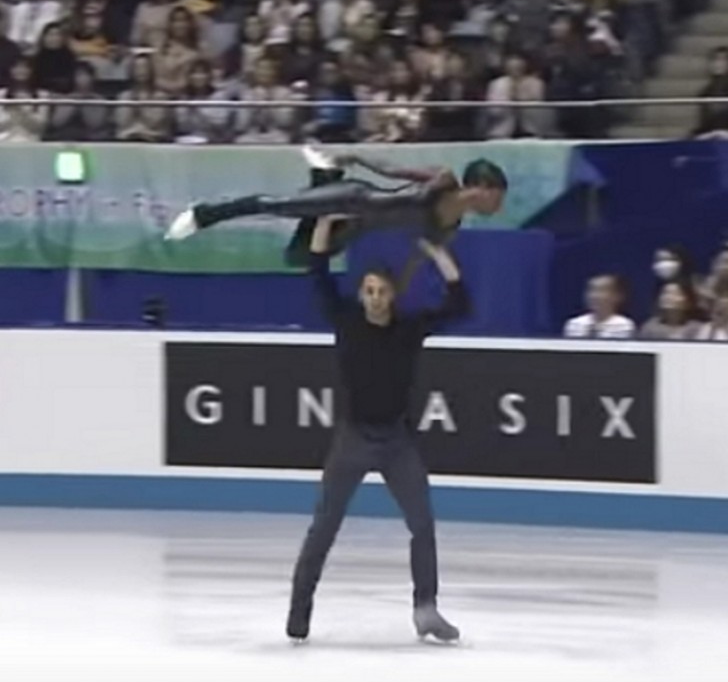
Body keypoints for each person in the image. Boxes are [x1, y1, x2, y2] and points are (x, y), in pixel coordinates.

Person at [286, 214, 468, 643]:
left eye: (381, 291)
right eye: (368, 291)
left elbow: (459, 305)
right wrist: (323, 229)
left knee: (422, 524)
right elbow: (316, 275)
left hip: (396, 441)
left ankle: (426, 609)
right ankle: (298, 612)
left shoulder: (409, 329)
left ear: (392, 294)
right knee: (323, 528)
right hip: (353, 439)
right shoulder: (346, 320)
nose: (374, 298)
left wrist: (440, 256)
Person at [164, 146, 508, 268]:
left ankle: (322, 174)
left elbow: (421, 257)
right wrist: (357, 156)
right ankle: (203, 214)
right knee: (277, 205)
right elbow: (394, 171)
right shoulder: (444, 179)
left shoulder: (451, 228)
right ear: (482, 187)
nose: (500, 205)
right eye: (499, 196)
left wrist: (399, 288)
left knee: (298, 257)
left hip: (356, 227)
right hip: (354, 197)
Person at [563, 274, 636, 339]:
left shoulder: (623, 325)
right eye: (591, 290)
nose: (594, 296)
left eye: (602, 290)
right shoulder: (574, 324)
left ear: (617, 296)